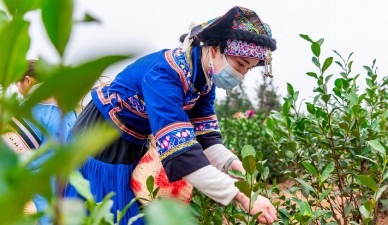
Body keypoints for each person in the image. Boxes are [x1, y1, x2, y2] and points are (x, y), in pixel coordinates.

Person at [65, 6, 277, 225]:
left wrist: (233, 165)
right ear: (214, 49)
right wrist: (241, 196)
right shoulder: (165, 76)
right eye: (240, 64)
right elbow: (181, 152)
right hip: (99, 139)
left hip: (130, 143)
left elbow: (206, 137)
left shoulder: (203, 81)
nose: (241, 74)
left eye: (248, 68)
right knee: (103, 212)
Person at [11, 60, 77, 225]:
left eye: (17, 84)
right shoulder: (67, 106)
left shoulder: (33, 108)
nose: (18, 91)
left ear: (27, 80)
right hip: (66, 189)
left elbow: (9, 151)